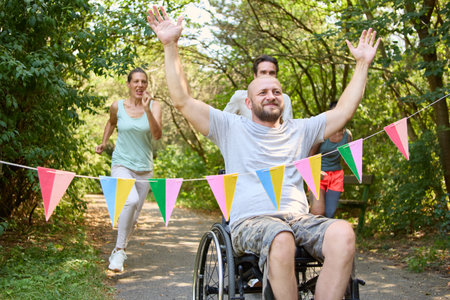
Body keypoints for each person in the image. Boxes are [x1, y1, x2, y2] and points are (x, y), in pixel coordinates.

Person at [147, 6, 379, 299]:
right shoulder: (230, 127)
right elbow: (182, 100)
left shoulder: (302, 129)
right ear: (248, 102)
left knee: (343, 232)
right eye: (263, 92)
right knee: (280, 238)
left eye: (276, 91)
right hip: (250, 221)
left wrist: (362, 64)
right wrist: (170, 45)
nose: (271, 95)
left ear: (283, 98)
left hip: (298, 219)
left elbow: (344, 110)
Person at [95, 67, 162, 272]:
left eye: (143, 82)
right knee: (130, 200)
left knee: (134, 215)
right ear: (128, 84)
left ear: (147, 85)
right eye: (136, 81)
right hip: (121, 163)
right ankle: (118, 250)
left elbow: (157, 135)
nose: (140, 85)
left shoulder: (155, 105)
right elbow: (111, 122)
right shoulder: (117, 106)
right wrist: (104, 142)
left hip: (144, 168)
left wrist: (147, 109)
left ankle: (120, 251)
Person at [309, 101, 353, 218]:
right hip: (318, 174)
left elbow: (347, 161)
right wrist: (316, 172)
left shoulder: (347, 135)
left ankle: (327, 236)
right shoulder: (322, 132)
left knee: (329, 213)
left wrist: (353, 158)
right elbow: (309, 156)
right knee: (318, 211)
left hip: (336, 176)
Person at [223, 55, 293, 121]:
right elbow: (222, 123)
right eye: (263, 72)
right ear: (255, 76)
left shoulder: (284, 99)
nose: (267, 76)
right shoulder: (240, 97)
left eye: (272, 73)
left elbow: (288, 130)